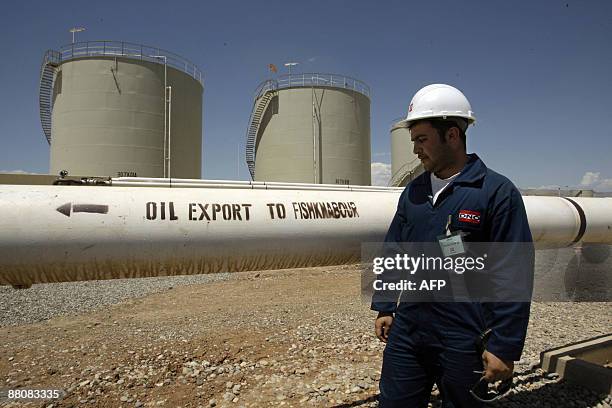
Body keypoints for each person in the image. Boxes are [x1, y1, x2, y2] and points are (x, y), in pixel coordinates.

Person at [372, 84, 533, 407]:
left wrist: (503, 345)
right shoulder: (414, 193)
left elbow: (514, 271)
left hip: (466, 333)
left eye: (422, 139)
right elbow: (395, 249)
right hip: (410, 327)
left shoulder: (494, 192)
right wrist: (386, 303)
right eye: (413, 140)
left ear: (453, 136)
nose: (415, 149)